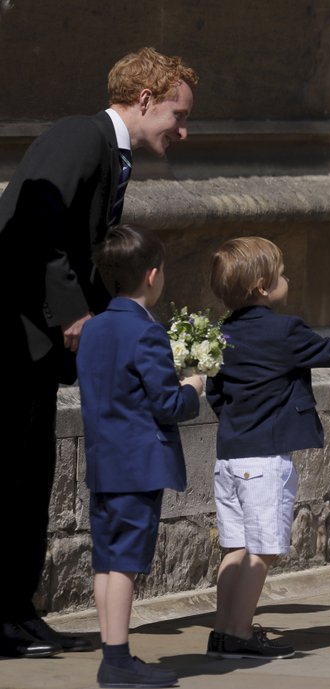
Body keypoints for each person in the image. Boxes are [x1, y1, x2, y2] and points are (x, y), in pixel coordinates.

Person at [0, 47, 198, 659]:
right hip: (15, 339)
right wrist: (74, 314)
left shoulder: (109, 154)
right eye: (177, 113)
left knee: (32, 478)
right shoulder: (78, 136)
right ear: (144, 99)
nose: (183, 130)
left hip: (37, 351)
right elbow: (35, 223)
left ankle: (16, 610)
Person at [204, 236, 330, 659]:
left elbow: (216, 392)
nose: (288, 279)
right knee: (262, 551)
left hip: (229, 457)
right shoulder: (285, 330)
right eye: (280, 274)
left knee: (234, 547)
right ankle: (240, 633)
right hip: (265, 459)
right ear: (262, 287)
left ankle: (222, 630)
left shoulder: (220, 334)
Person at [77, 224, 205, 688]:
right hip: (137, 464)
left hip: (105, 462)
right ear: (153, 276)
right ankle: (116, 659)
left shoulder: (93, 328)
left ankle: (114, 653)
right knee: (126, 561)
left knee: (106, 559)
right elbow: (166, 405)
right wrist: (191, 388)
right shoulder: (145, 332)